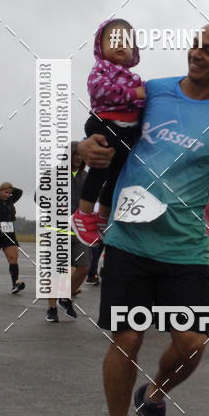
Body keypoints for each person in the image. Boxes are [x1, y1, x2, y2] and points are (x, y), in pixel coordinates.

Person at [77, 20, 209, 416]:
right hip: (127, 239)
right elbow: (106, 128)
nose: (197, 55)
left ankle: (155, 396)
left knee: (192, 343)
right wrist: (84, 148)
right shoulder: (152, 92)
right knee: (127, 339)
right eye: (196, 45)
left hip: (183, 249)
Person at [71, 19, 145, 246]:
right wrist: (135, 95)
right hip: (105, 123)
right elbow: (101, 92)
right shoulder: (101, 69)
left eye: (126, 42)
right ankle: (83, 214)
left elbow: (141, 106)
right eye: (114, 40)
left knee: (117, 176)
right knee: (100, 169)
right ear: (100, 45)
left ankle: (103, 218)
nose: (120, 45)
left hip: (127, 129)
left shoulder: (135, 78)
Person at [45, 142, 90, 321]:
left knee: (84, 267)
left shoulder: (86, 176)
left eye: (81, 155)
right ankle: (51, 308)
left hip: (78, 230)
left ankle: (65, 296)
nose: (78, 158)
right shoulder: (54, 174)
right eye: (75, 154)